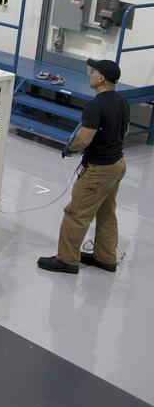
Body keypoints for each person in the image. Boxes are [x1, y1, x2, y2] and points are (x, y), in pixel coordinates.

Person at [38, 58, 129, 274]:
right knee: (107, 212)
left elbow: (84, 139)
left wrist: (70, 149)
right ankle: (105, 257)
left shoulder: (95, 105)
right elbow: (124, 131)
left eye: (93, 71)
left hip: (99, 170)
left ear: (101, 78)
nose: (91, 74)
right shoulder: (121, 101)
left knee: (76, 214)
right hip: (117, 164)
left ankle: (66, 260)